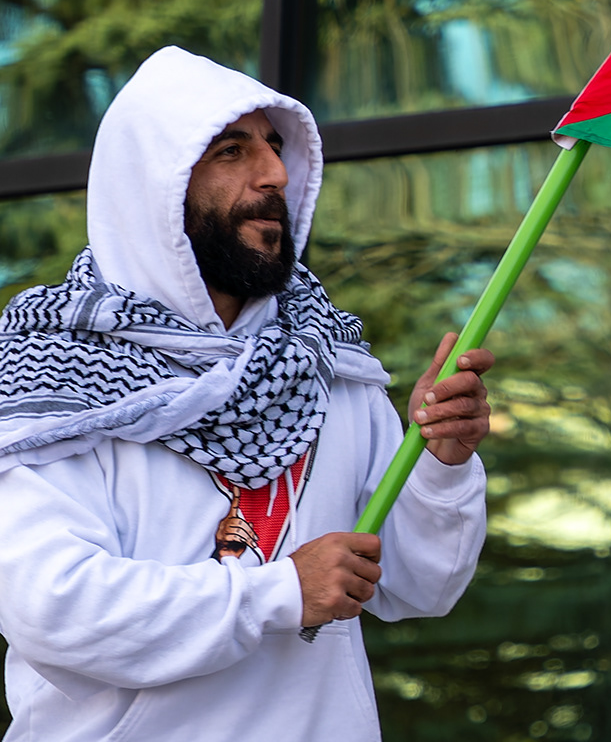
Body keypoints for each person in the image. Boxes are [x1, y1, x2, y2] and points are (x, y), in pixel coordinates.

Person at [0, 46, 493, 741]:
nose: (274, 174)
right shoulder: (51, 376)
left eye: (273, 147)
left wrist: (440, 464)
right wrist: (278, 593)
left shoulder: (326, 363)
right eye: (232, 152)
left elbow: (422, 584)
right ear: (155, 187)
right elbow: (51, 606)